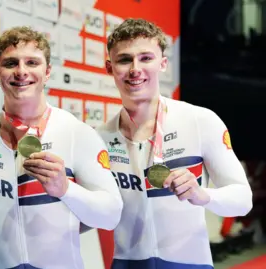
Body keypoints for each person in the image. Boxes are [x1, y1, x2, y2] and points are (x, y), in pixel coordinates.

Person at [0, 26, 123, 269]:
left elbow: (111, 214)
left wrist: (65, 189)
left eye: (32, 62)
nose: (21, 72)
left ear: (47, 71)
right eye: (10, 63)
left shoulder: (76, 133)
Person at [94, 18, 253, 268]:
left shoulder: (200, 120)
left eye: (146, 58)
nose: (135, 69)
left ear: (163, 64)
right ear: (109, 67)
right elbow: (94, 214)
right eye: (125, 59)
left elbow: (243, 200)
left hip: (189, 263)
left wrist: (203, 195)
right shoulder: (99, 137)